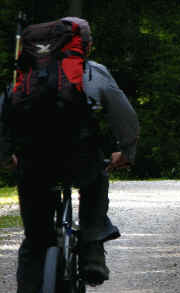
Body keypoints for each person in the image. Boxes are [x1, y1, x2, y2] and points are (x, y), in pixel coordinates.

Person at [0, 17, 140, 292]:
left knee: (36, 239)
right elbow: (125, 117)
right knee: (96, 180)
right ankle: (91, 251)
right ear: (84, 46)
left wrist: (5, 158)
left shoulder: (23, 77)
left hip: (34, 163)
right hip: (81, 160)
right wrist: (126, 152)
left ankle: (29, 285)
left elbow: (2, 118)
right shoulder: (92, 73)